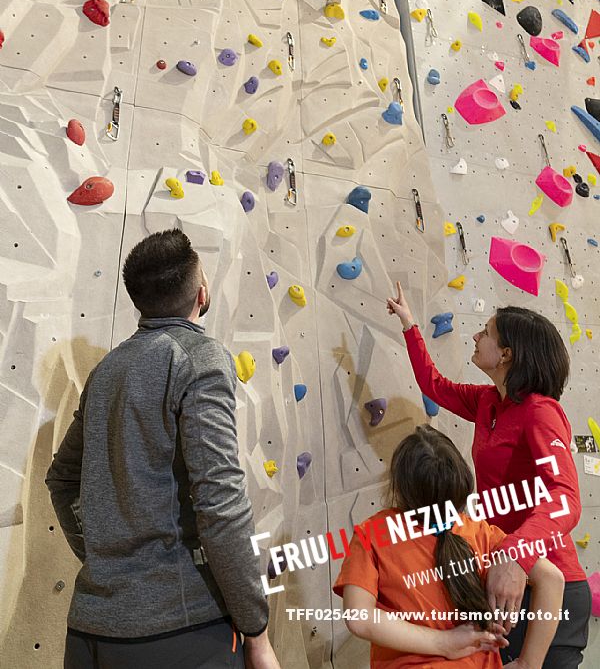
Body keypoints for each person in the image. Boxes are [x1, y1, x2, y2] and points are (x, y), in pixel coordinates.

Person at [46, 229, 280, 669]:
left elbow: (61, 481)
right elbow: (221, 504)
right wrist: (257, 630)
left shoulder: (105, 371)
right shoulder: (199, 357)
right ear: (201, 293)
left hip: (89, 636)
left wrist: (105, 560)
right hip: (180, 633)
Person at [386, 283, 592, 668]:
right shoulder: (487, 402)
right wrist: (410, 326)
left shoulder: (541, 412)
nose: (477, 337)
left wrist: (516, 553)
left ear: (506, 355)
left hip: (549, 586)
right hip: (504, 579)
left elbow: (565, 498)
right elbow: (435, 386)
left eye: (486, 333)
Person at [333, 425, 564, 669]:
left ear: (400, 487)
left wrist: (443, 643)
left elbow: (359, 618)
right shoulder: (483, 534)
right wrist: (528, 664)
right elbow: (552, 579)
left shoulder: (374, 533)